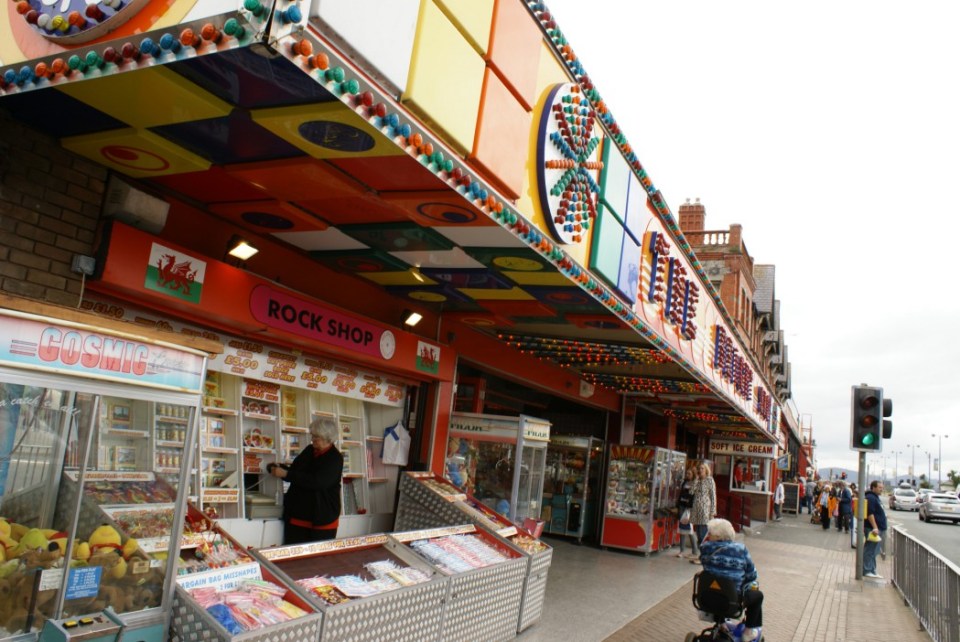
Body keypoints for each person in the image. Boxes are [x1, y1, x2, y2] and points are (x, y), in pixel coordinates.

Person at [269, 417, 344, 545]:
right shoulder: (310, 450)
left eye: (316, 437)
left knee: (316, 560)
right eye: (312, 435)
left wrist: (287, 473)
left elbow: (318, 482)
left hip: (322, 518)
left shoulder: (335, 458)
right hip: (298, 516)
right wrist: (279, 469)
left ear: (328, 438)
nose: (312, 439)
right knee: (293, 554)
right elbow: (296, 471)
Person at [699, 518, 764, 642]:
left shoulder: (705, 548)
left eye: (710, 533)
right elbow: (752, 575)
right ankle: (749, 631)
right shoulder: (740, 550)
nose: (708, 536)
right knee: (757, 595)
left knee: (718, 585)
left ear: (718, 536)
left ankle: (721, 623)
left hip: (707, 596)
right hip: (732, 600)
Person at [690, 462, 717, 564]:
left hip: (705, 510)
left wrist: (713, 511)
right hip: (696, 510)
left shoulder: (710, 480)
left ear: (706, 470)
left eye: (702, 468)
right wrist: (696, 479)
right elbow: (691, 492)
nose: (700, 470)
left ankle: (704, 557)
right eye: (699, 468)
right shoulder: (697, 480)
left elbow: (713, 496)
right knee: (698, 534)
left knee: (703, 534)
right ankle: (701, 556)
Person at [863, 480, 887, 579]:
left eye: (882, 487)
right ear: (873, 487)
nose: (881, 489)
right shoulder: (871, 498)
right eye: (879, 487)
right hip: (873, 529)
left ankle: (872, 570)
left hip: (877, 528)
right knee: (870, 549)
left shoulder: (875, 497)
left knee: (874, 550)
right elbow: (870, 513)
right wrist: (875, 527)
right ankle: (867, 570)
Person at [676, 467, 699, 559]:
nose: (687, 475)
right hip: (682, 506)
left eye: (689, 474)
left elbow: (694, 497)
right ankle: (682, 550)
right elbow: (681, 494)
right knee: (682, 529)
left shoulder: (695, 484)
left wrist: (691, 508)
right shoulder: (684, 483)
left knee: (690, 530)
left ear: (693, 475)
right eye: (687, 474)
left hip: (689, 508)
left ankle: (695, 551)